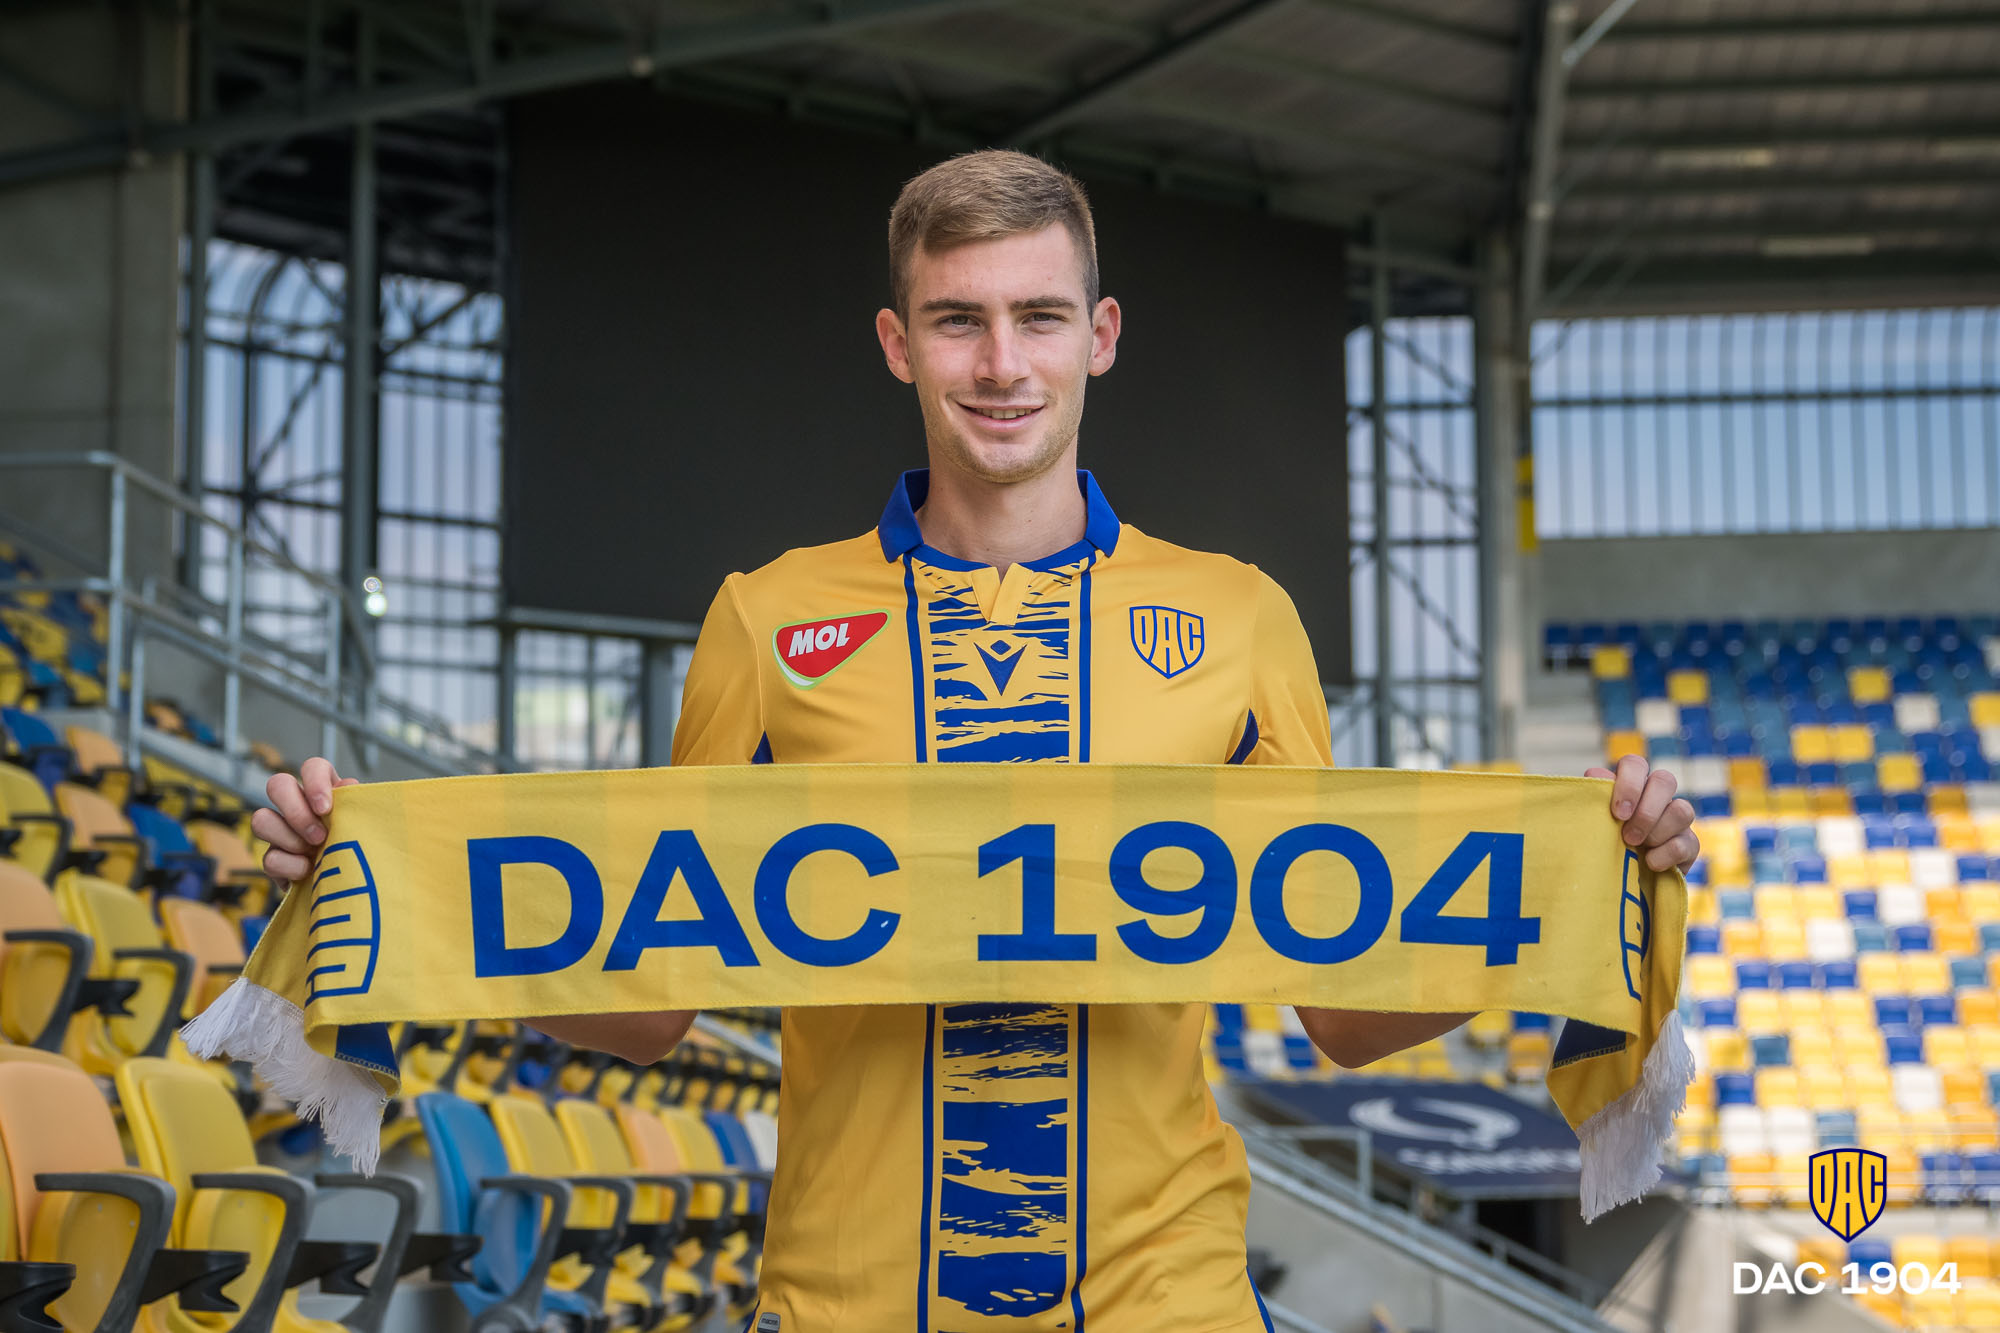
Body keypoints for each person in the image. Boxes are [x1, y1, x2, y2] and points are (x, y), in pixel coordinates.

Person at [253, 151, 1699, 1332]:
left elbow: (1337, 1005)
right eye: (958, 320)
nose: (1002, 363)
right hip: (846, 1303)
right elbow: (648, 1002)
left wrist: (1565, 895)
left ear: (1100, 335)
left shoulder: (1242, 618)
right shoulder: (765, 616)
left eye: (1039, 317)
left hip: (1166, 1304)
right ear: (900, 344)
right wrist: (410, 900)